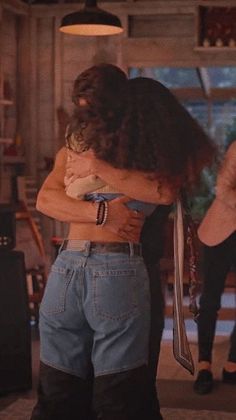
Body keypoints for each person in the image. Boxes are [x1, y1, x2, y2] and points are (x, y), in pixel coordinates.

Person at [31, 64, 215, 420]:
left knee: (63, 389)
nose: (85, 118)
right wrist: (103, 214)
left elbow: (161, 191)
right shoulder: (104, 151)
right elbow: (45, 200)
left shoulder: (117, 150)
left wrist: (95, 169)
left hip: (74, 265)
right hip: (98, 265)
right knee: (116, 392)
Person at [193, 140, 236, 395]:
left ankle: (232, 364)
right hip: (221, 232)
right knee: (210, 301)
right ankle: (204, 365)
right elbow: (221, 188)